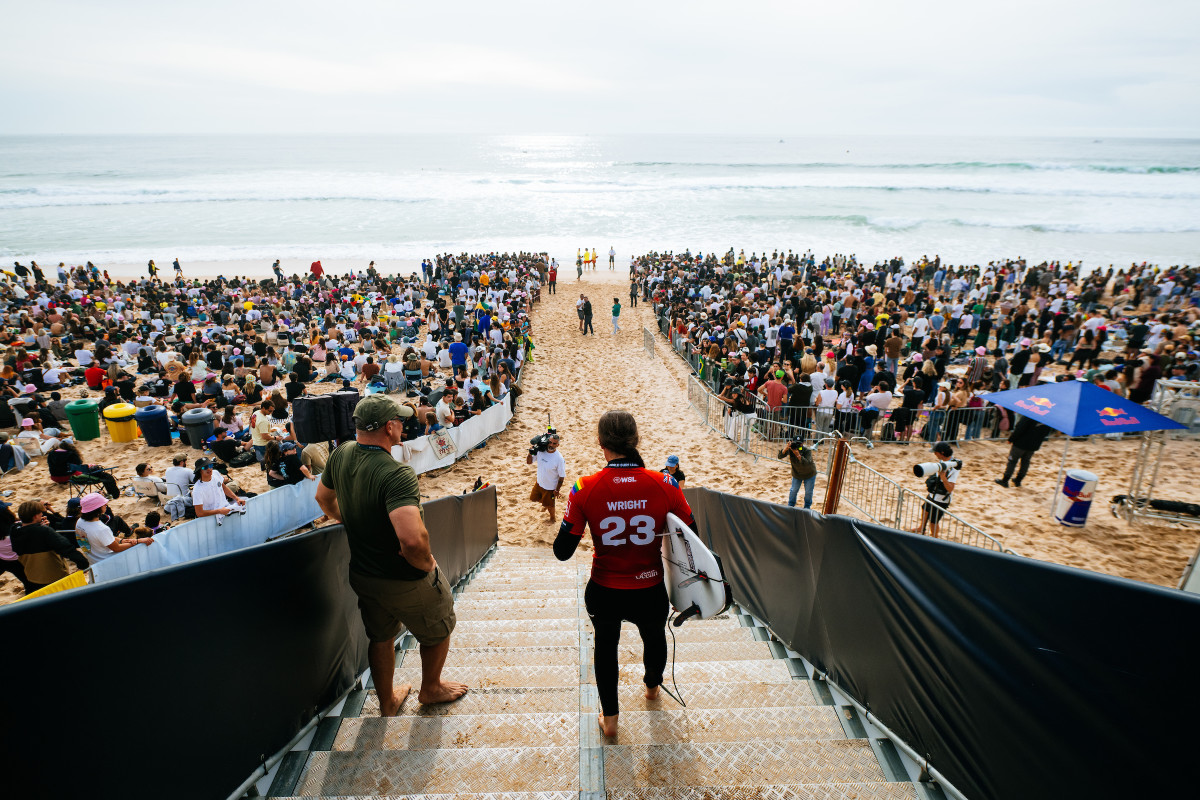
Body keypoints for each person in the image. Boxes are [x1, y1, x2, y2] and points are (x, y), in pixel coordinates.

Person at [314, 394, 466, 715]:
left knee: (380, 637)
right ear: (390, 427)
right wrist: (428, 565)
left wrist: (347, 518)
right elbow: (411, 541)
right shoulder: (396, 474)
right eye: (399, 420)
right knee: (439, 626)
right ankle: (431, 688)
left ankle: (387, 702)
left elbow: (323, 498)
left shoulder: (341, 454)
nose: (403, 424)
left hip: (364, 574)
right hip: (403, 577)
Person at [553, 410, 696, 739]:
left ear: (600, 442)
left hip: (605, 588)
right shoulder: (666, 484)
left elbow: (562, 551)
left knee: (605, 646)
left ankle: (612, 719)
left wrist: (577, 516)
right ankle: (651, 690)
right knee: (654, 636)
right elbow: (691, 535)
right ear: (635, 441)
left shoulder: (583, 487)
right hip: (650, 587)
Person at [12, 500, 90, 592]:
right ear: (35, 516)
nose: (42, 514)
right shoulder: (44, 532)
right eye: (40, 513)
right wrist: (83, 564)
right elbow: (66, 548)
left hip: (32, 576)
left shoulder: (14, 531)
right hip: (54, 577)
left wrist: (39, 526)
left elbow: (29, 535)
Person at [76, 493, 153, 562]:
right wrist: (138, 541)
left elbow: (107, 538)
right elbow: (117, 548)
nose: (106, 504)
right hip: (107, 560)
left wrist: (126, 540)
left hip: (94, 558)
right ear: (97, 509)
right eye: (103, 504)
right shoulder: (101, 529)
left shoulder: (80, 522)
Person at [913, 442, 959, 538]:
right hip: (933, 493)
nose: (935, 454)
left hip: (941, 499)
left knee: (933, 521)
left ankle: (934, 537)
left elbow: (950, 489)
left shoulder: (954, 467)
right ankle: (922, 528)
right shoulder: (943, 461)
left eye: (936, 452)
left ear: (942, 452)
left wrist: (943, 478)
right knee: (925, 509)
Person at [995, 416, 1053, 488]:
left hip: (1020, 444)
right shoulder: (1047, 419)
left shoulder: (1029, 416)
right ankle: (1018, 480)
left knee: (1012, 461)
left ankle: (1005, 480)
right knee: (1025, 461)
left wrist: (1011, 439)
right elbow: (1046, 433)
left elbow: (1019, 428)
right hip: (1033, 445)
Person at [527, 432, 566, 523]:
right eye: (550, 442)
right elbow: (529, 462)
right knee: (533, 498)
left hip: (550, 487)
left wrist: (557, 490)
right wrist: (530, 453)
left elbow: (561, 477)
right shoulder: (541, 451)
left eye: (554, 443)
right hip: (539, 483)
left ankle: (553, 518)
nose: (551, 445)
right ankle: (545, 504)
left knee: (550, 506)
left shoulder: (559, 459)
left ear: (558, 445)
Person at [780, 438, 817, 509]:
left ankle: (807, 507)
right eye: (796, 443)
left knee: (808, 492)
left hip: (809, 474)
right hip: (797, 474)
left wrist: (798, 455)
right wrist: (786, 448)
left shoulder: (807, 451)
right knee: (793, 490)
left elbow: (807, 463)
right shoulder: (791, 449)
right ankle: (790, 506)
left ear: (802, 443)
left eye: (799, 443)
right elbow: (780, 456)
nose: (797, 445)